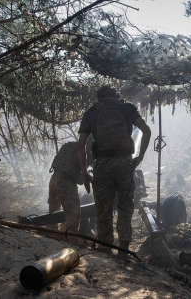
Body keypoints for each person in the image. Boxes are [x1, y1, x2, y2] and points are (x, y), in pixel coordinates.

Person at [78, 85, 151, 254]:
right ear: (116, 96)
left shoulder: (92, 112)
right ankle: (123, 250)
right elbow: (146, 131)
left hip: (102, 165)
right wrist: (139, 157)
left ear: (99, 97)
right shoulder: (127, 108)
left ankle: (105, 246)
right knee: (125, 207)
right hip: (124, 164)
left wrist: (84, 174)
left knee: (103, 207)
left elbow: (81, 145)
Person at [47, 141, 83, 232]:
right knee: (73, 214)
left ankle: (50, 236)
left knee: (53, 212)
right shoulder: (84, 150)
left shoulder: (69, 145)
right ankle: (71, 241)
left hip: (54, 178)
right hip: (66, 183)